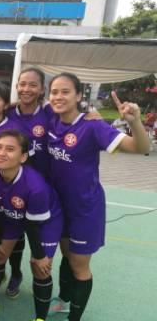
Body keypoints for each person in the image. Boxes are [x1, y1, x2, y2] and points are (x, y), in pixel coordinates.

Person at [46, 73, 149, 321]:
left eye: (65, 91)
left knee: (80, 265)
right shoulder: (50, 121)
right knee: (67, 254)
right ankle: (63, 299)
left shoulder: (92, 126)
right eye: (54, 92)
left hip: (85, 209)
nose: (59, 96)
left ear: (79, 95)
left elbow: (142, 148)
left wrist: (135, 122)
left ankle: (75, 317)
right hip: (59, 208)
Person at [0, 130, 63, 320]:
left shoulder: (36, 187)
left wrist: (40, 256)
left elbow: (32, 227)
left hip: (44, 221)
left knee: (39, 267)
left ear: (23, 156)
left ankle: (40, 317)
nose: (1, 153)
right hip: (12, 213)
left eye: (10, 149)